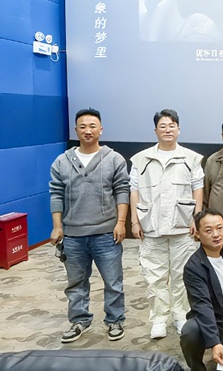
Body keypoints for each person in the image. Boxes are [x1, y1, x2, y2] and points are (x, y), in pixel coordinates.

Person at [49, 108, 130, 343]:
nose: (87, 130)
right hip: (73, 236)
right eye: (83, 126)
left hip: (106, 234)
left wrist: (121, 222)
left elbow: (122, 191)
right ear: (76, 130)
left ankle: (115, 320)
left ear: (101, 129)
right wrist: (57, 226)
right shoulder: (62, 161)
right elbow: (56, 194)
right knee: (76, 283)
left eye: (92, 126)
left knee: (113, 282)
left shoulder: (113, 159)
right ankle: (79, 321)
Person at [130, 109, 204, 339]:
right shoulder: (140, 159)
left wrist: (197, 218)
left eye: (172, 125)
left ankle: (180, 316)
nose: (168, 130)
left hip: (182, 226)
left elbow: (198, 187)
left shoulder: (192, 158)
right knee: (155, 276)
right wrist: (134, 221)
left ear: (179, 129)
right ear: (155, 130)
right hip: (151, 225)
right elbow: (134, 190)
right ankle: (159, 319)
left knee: (182, 275)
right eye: (163, 126)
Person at [180, 209, 223, 371]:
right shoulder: (193, 267)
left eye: (220, 228)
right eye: (208, 230)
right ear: (198, 234)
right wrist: (214, 342)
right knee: (190, 332)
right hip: (216, 322)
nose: (216, 234)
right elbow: (202, 306)